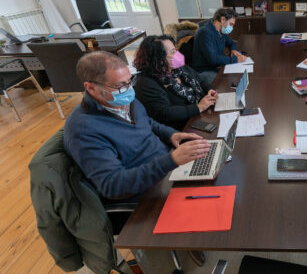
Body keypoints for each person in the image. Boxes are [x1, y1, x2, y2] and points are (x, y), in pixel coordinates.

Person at [64, 51, 211, 202]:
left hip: (167, 169)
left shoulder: (123, 100)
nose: (129, 90)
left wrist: (170, 134)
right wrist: (170, 161)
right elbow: (113, 185)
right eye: (120, 86)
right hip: (147, 195)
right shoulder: (83, 129)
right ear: (91, 88)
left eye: (130, 81)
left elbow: (146, 121)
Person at [133, 35, 218, 130]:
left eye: (176, 49)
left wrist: (210, 89)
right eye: (173, 52)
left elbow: (200, 79)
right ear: (158, 58)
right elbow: (164, 112)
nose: (178, 54)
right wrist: (198, 107)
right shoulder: (146, 83)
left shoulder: (177, 67)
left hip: (201, 114)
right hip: (184, 127)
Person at [191, 8, 247, 84]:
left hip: (215, 66)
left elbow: (232, 43)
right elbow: (213, 59)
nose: (232, 28)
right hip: (203, 71)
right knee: (226, 83)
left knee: (236, 77)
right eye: (231, 24)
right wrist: (235, 59)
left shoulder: (220, 31)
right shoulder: (204, 32)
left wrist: (233, 50)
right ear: (223, 19)